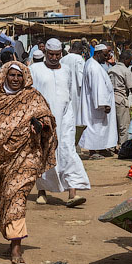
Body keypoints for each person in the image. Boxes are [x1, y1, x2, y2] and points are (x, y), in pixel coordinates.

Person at [0, 62, 57, 264]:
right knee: (3, 198)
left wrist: (41, 126)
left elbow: (47, 119)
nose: (15, 79)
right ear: (4, 77)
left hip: (27, 155)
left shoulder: (33, 97)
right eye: (12, 75)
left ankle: (16, 247)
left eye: (19, 75)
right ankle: (11, 236)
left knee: (16, 196)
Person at [31, 39, 90, 207]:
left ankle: (73, 192)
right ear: (45, 54)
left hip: (65, 120)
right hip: (42, 121)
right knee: (43, 154)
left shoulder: (67, 70)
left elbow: (69, 96)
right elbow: (30, 95)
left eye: (57, 55)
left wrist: (70, 119)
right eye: (51, 55)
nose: (54, 58)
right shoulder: (35, 69)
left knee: (68, 152)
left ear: (61, 54)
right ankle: (42, 191)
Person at [78, 44, 118, 159]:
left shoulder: (92, 64)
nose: (106, 57)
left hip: (94, 103)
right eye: (104, 55)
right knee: (95, 127)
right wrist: (103, 104)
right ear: (97, 53)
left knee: (100, 128)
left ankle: (101, 148)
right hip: (96, 105)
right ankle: (93, 151)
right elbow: (98, 87)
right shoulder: (94, 67)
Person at [109, 50, 132, 148]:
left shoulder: (111, 69)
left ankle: (112, 146)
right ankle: (123, 147)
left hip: (111, 99)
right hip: (121, 99)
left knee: (113, 125)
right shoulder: (126, 71)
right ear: (125, 59)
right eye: (129, 60)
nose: (130, 63)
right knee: (123, 126)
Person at [61, 41, 86, 121]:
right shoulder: (79, 59)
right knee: (76, 115)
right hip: (76, 92)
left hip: (64, 90)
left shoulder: (63, 59)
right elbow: (81, 78)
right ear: (79, 49)